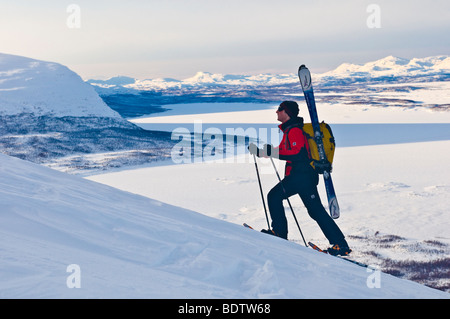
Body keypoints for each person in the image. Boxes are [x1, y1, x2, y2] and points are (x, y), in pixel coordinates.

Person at [248, 101, 351, 256]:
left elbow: (297, 153)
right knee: (315, 211)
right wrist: (263, 152)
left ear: (286, 112)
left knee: (274, 196)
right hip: (303, 176)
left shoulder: (294, 130)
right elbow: (284, 150)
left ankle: (279, 233)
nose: (276, 112)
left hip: (300, 176)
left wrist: (271, 153)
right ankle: (340, 244)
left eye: (279, 109)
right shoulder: (290, 130)